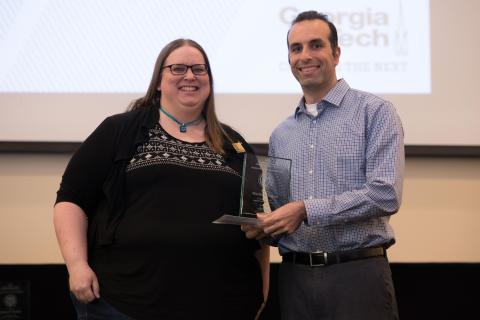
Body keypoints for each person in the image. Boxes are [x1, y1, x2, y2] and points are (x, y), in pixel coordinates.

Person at [54, 38, 269, 320]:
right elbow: (71, 199)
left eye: (199, 69)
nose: (190, 76)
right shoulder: (119, 131)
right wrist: (76, 265)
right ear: (158, 81)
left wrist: (261, 293)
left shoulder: (236, 144)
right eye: (178, 68)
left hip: (222, 304)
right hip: (124, 304)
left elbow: (256, 226)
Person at [242, 11, 404, 320]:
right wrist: (263, 227)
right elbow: (281, 215)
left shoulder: (376, 112)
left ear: (337, 53)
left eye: (316, 45)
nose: (305, 56)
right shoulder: (281, 134)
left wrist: (305, 209)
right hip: (295, 280)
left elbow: (386, 194)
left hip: (356, 275)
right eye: (296, 48)